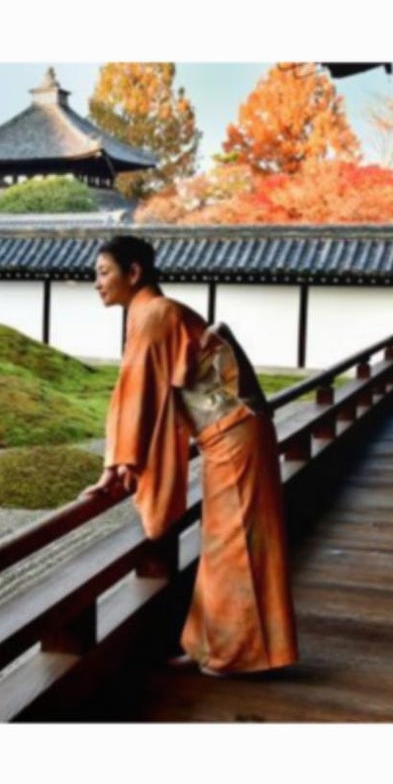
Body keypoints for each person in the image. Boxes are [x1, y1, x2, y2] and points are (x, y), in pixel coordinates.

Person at [80, 235, 298, 676]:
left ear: (134, 272)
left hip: (233, 436)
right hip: (230, 435)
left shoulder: (156, 314)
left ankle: (238, 654)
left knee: (233, 545)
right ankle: (210, 647)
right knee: (224, 543)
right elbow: (141, 392)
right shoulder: (154, 312)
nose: (96, 283)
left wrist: (115, 463)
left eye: (103, 273)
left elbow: (135, 395)